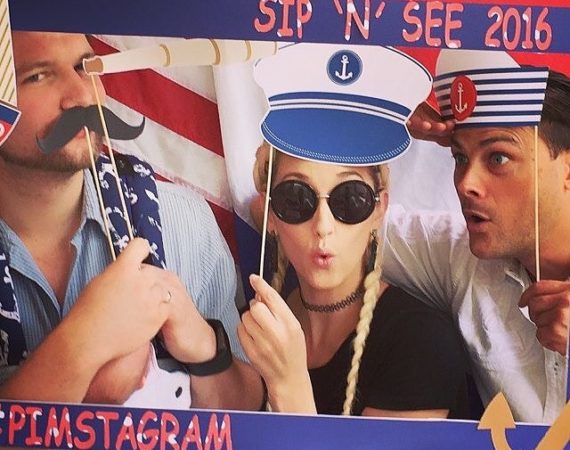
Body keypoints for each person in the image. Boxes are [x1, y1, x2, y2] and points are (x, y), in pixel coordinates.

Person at [0, 31, 262, 410]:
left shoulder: (182, 220)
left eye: (84, 67)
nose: (83, 96)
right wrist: (83, 342)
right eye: (38, 76)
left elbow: (244, 414)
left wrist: (207, 350)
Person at [239, 43, 469, 418]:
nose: (323, 227)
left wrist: (288, 384)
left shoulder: (421, 341)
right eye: (296, 199)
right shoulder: (257, 325)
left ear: (379, 209)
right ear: (272, 215)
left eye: (350, 199)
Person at [384, 49, 570, 423]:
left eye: (497, 158)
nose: (465, 183)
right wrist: (380, 119)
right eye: (460, 158)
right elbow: (311, 216)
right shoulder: (461, 260)